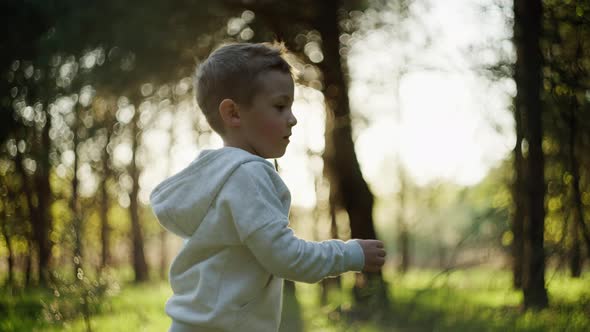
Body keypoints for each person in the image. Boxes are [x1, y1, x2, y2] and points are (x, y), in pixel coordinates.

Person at [150, 42, 386, 332]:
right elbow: (286, 257)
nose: (293, 118)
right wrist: (350, 254)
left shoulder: (221, 175)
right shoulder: (247, 174)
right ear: (233, 113)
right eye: (279, 106)